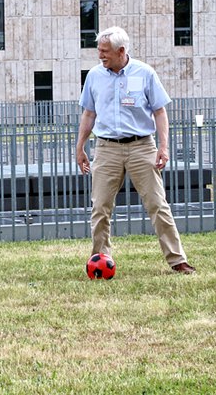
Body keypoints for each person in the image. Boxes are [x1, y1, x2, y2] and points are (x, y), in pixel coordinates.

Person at [76, 26, 195, 274]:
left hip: (142, 146)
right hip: (107, 148)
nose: (100, 56)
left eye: (105, 51)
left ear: (121, 51)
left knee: (157, 204)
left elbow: (160, 111)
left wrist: (163, 146)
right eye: (99, 50)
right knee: (100, 208)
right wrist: (80, 148)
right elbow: (89, 113)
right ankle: (99, 260)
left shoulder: (145, 73)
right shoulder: (94, 76)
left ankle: (177, 260)